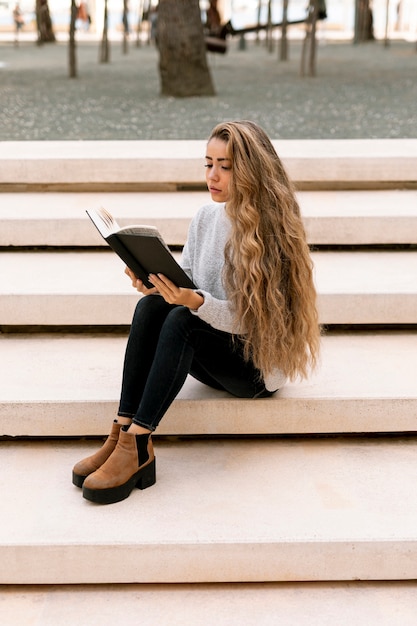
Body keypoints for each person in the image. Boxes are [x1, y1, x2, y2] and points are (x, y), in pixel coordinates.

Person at [72, 120, 321, 505]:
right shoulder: (206, 216)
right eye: (208, 164)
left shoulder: (271, 231)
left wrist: (195, 302)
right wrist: (157, 284)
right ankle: (121, 431)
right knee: (152, 305)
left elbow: (252, 320)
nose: (213, 175)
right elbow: (190, 278)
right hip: (213, 346)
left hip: (254, 367)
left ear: (251, 170)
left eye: (226, 165)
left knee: (184, 319)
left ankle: (138, 443)